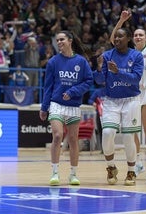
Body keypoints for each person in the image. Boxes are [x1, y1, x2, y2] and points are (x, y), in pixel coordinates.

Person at [112, 0, 146, 180]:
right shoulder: (127, 52)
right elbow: (113, 39)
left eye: (140, 35)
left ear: (145, 38)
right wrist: (121, 20)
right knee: (132, 131)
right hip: (133, 94)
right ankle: (138, 162)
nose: (137, 37)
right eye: (135, 35)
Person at [39, 30, 93, 186]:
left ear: (70, 40)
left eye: (62, 39)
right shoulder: (53, 62)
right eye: (57, 40)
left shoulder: (81, 62)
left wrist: (73, 92)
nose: (59, 42)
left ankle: (73, 174)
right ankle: (55, 172)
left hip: (73, 105)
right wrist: (44, 107)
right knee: (57, 136)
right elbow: (47, 87)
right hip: (56, 104)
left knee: (73, 140)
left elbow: (88, 81)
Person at [94, 25, 144, 186]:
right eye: (115, 36)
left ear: (128, 38)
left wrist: (118, 72)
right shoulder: (107, 55)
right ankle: (111, 167)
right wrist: (99, 67)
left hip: (131, 100)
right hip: (111, 100)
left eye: (120, 36)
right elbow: (99, 81)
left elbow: (136, 79)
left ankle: (131, 171)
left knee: (129, 137)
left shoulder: (136, 56)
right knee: (108, 133)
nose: (116, 39)